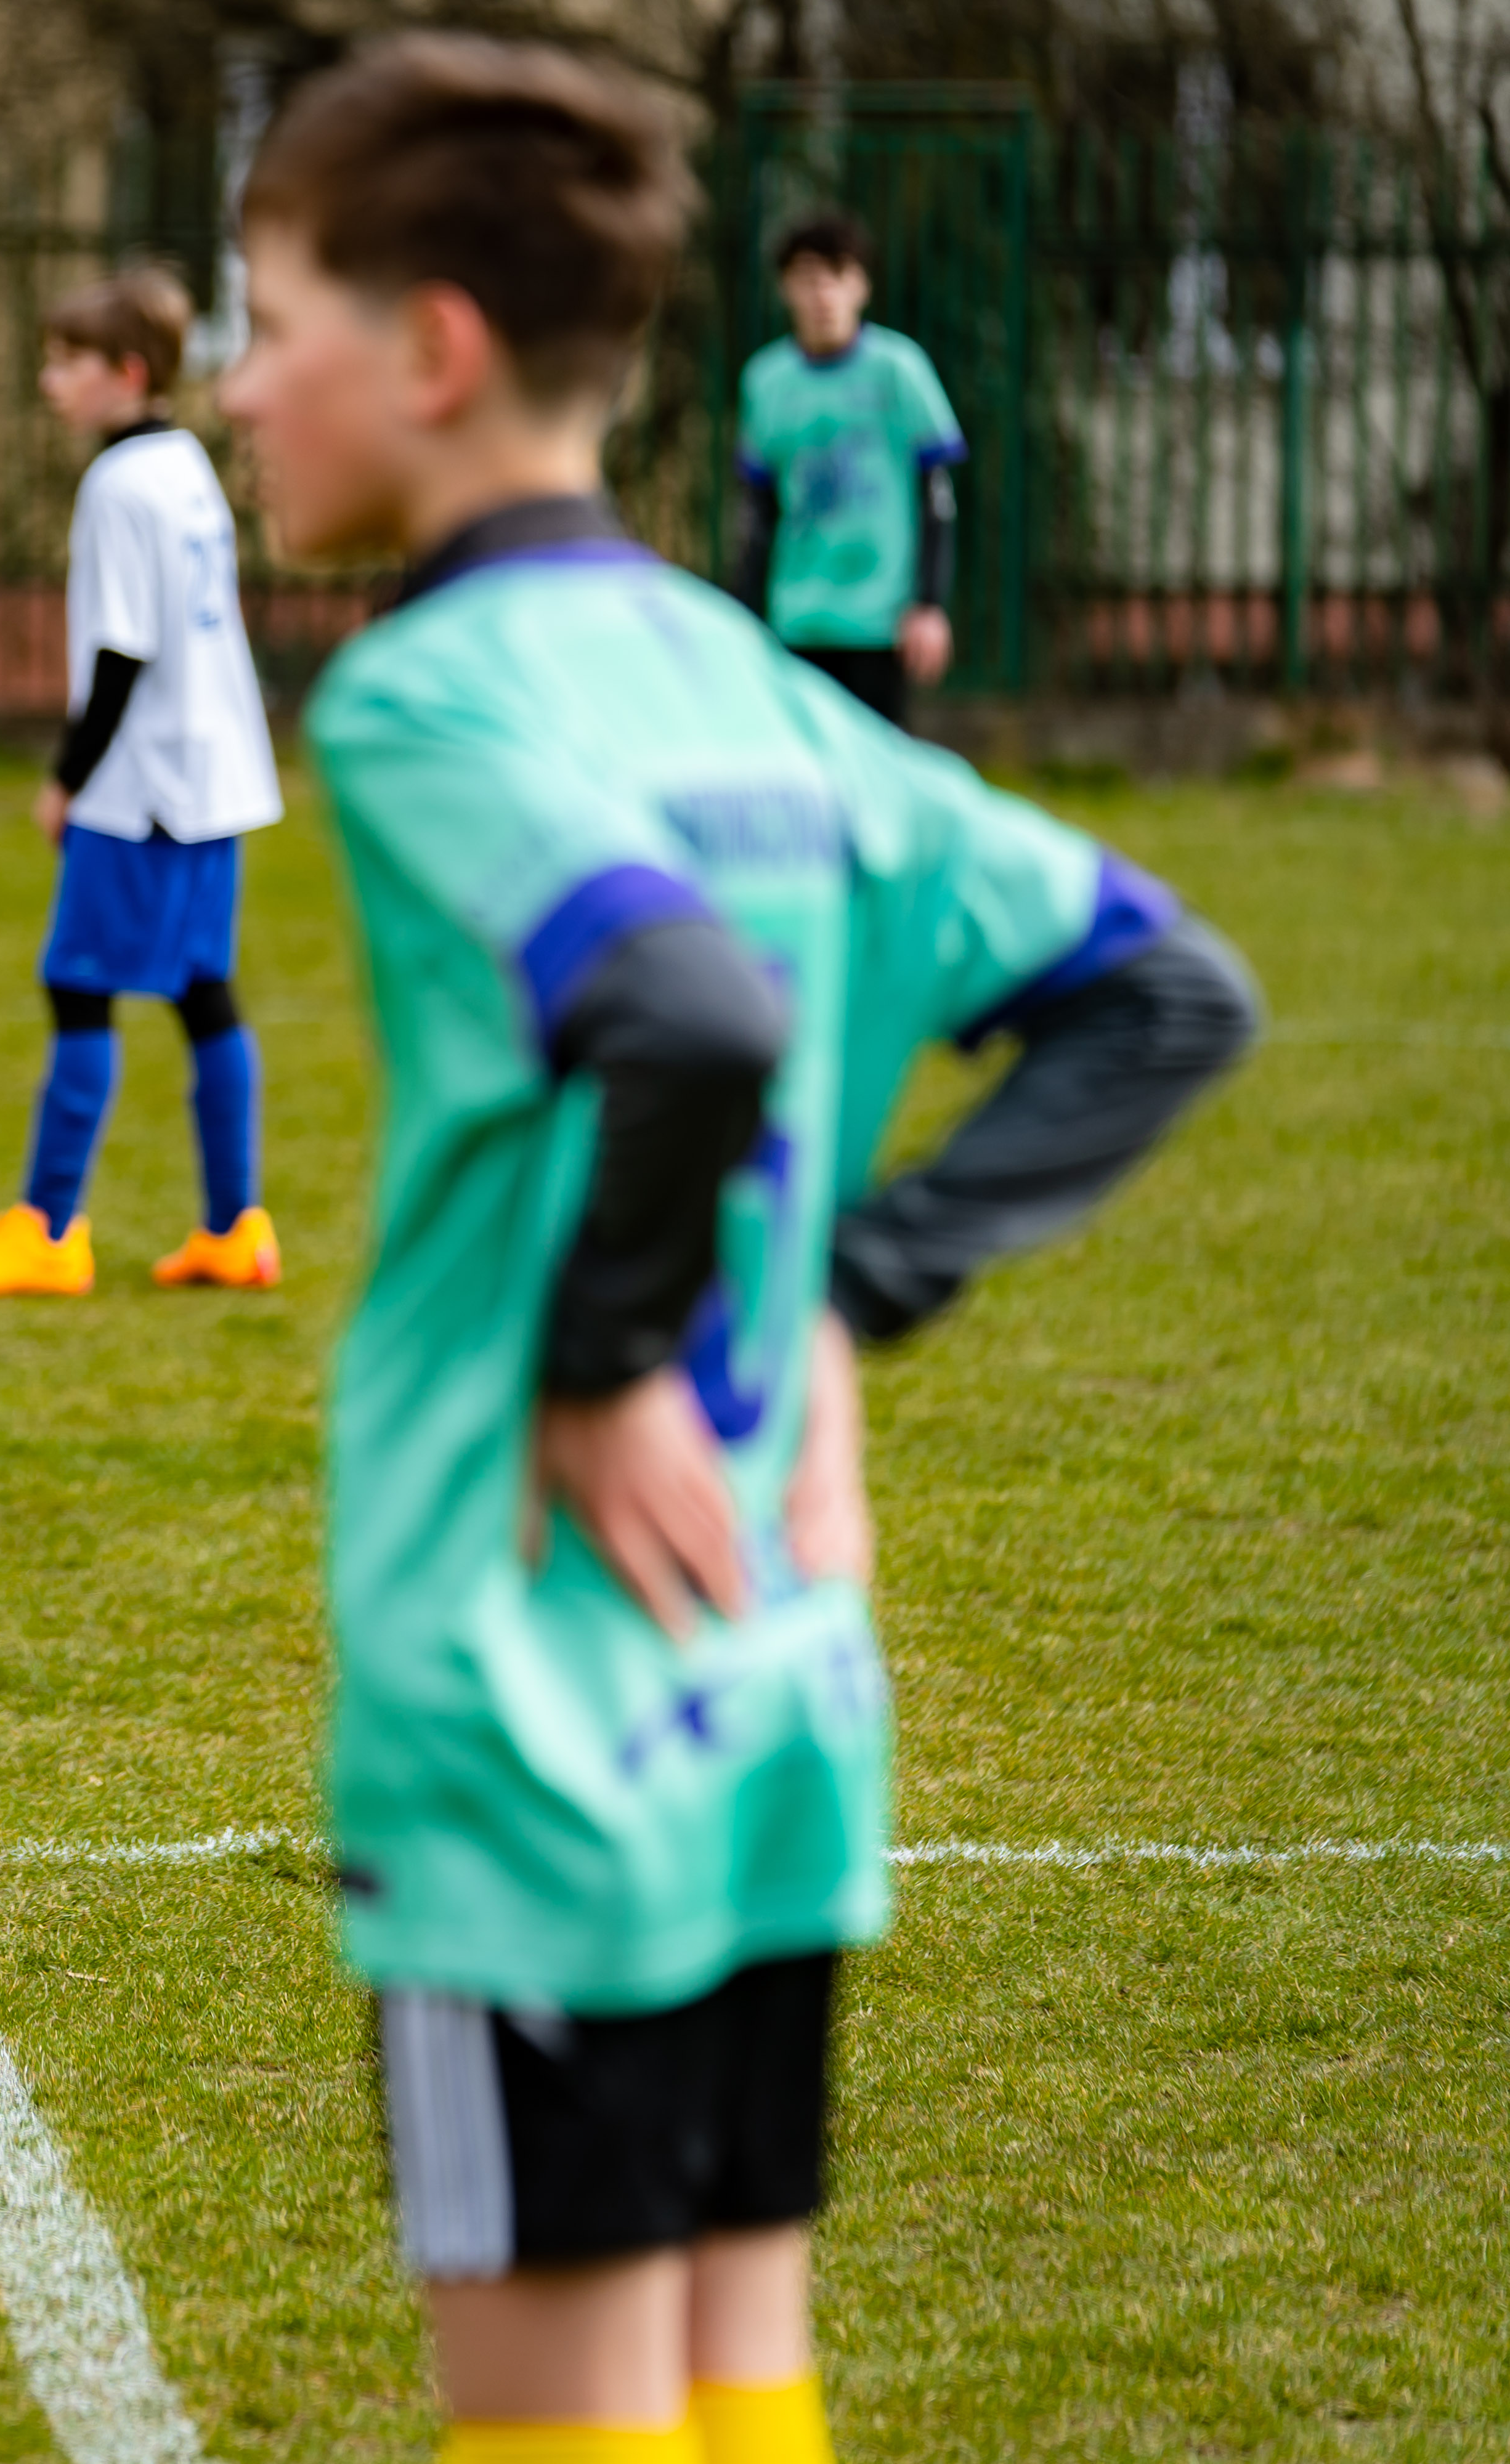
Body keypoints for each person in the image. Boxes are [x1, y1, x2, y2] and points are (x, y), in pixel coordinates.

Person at [218, 36, 1253, 2462]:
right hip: (775, 1673)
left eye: (271, 322)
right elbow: (1166, 991)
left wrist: (604, 1359)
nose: (240, 387)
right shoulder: (757, 687)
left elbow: (675, 999)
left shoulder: (430, 696)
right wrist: (845, 1294)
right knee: (737, 2361)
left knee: (570, 2406)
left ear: (434, 347)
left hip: (525, 1694)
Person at [0, 267, 286, 1299]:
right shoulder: (185, 462)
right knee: (203, 989)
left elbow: (124, 652)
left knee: (78, 983)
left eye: (68, 362)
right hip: (217, 770)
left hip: (146, 782)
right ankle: (236, 1226)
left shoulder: (120, 483)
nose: (50, 381)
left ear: (127, 372)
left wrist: (66, 780)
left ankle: (47, 1228)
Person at [734, 213, 964, 732]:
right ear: (785, 289)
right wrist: (747, 614)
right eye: (808, 279)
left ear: (862, 286)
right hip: (795, 619)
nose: (823, 294)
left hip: (878, 621)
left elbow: (937, 498)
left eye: (838, 277)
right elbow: (757, 513)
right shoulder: (766, 381)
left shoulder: (899, 370)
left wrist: (929, 604)